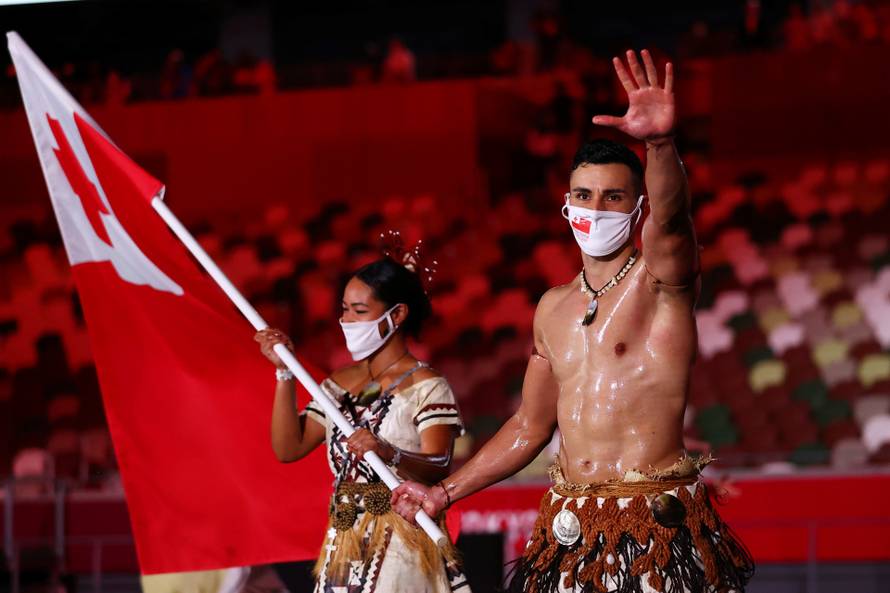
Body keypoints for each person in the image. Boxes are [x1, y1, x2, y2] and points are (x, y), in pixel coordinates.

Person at [391, 50, 754, 592]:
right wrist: (445, 492)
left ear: (638, 208)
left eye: (613, 197)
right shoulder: (551, 307)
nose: (596, 208)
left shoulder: (661, 281)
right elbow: (529, 426)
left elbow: (674, 219)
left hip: (655, 529)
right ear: (566, 204)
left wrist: (658, 144)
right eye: (584, 195)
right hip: (571, 531)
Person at [255, 254, 470, 592]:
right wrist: (285, 371)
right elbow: (288, 447)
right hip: (343, 542)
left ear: (396, 314)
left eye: (359, 311)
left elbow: (440, 463)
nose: (347, 320)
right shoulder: (340, 383)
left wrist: (387, 452)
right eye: (344, 309)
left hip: (402, 543)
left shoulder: (427, 385)